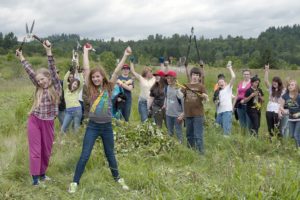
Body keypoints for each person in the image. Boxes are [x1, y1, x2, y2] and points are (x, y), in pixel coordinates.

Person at [68, 46, 131, 193]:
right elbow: (86, 68)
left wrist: (125, 55)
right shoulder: (90, 88)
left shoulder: (109, 87)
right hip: (93, 126)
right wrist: (85, 52)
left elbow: (116, 71)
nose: (96, 78)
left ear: (103, 77)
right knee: (85, 155)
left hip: (107, 127)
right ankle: (75, 182)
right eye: (94, 76)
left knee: (110, 154)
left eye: (98, 76)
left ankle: (118, 179)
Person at [16, 40, 61, 185]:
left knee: (46, 150)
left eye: (42, 79)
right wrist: (21, 57)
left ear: (48, 78)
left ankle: (42, 174)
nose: (40, 82)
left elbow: (53, 69)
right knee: (36, 150)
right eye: (38, 81)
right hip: (34, 120)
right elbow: (30, 72)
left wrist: (49, 51)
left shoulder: (56, 86)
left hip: (48, 122)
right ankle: (35, 180)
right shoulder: (38, 87)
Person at [179, 67, 208, 154]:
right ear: (191, 76)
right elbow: (180, 96)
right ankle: (191, 152)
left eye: (197, 75)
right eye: (194, 75)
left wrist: (204, 96)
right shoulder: (185, 86)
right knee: (189, 135)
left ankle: (201, 154)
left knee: (198, 135)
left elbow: (206, 98)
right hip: (188, 114)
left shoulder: (201, 86)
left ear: (199, 77)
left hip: (198, 115)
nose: (195, 76)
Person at [214, 63, 236, 136]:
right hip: (219, 112)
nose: (220, 83)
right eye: (219, 82)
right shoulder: (218, 92)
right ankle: (220, 141)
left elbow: (233, 77)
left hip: (227, 111)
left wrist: (230, 68)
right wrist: (216, 102)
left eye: (222, 82)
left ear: (225, 83)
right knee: (217, 127)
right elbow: (215, 102)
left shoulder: (228, 88)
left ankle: (227, 140)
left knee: (226, 129)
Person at [61, 67, 84, 133]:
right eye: (74, 84)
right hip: (68, 111)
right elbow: (65, 79)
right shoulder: (66, 89)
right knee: (63, 128)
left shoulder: (77, 90)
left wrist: (80, 74)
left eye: (77, 85)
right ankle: (62, 141)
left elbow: (81, 83)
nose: (75, 86)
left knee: (76, 128)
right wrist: (69, 71)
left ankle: (75, 142)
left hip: (77, 110)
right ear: (71, 83)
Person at [264, 64, 284, 138]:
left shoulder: (283, 90)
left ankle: (279, 142)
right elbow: (266, 81)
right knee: (270, 127)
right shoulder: (270, 89)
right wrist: (266, 71)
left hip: (277, 110)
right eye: (273, 81)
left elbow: (282, 102)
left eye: (276, 82)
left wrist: (280, 111)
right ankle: (271, 141)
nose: (274, 83)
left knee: (277, 128)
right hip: (269, 110)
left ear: (279, 83)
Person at [279, 80, 300, 149]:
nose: (290, 86)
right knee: (292, 135)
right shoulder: (285, 96)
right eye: (289, 85)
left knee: (296, 135)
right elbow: (281, 106)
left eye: (292, 85)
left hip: (299, 119)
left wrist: (298, 113)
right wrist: (283, 110)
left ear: (296, 87)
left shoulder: (299, 96)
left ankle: (298, 150)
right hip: (291, 118)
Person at [165, 70, 184, 143]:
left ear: (174, 79)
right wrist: (165, 105)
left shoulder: (178, 89)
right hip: (168, 114)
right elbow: (167, 97)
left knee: (178, 131)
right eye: (167, 78)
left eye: (169, 78)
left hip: (177, 115)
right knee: (170, 132)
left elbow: (183, 102)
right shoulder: (167, 88)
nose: (168, 80)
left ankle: (180, 144)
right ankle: (170, 144)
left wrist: (182, 115)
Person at [234, 69, 252, 133]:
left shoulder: (252, 83)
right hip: (239, 105)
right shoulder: (240, 83)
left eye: (247, 74)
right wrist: (233, 106)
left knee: (249, 123)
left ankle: (249, 138)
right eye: (245, 74)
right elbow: (237, 95)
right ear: (243, 75)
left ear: (250, 75)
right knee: (242, 123)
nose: (246, 75)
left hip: (248, 105)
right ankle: (243, 137)